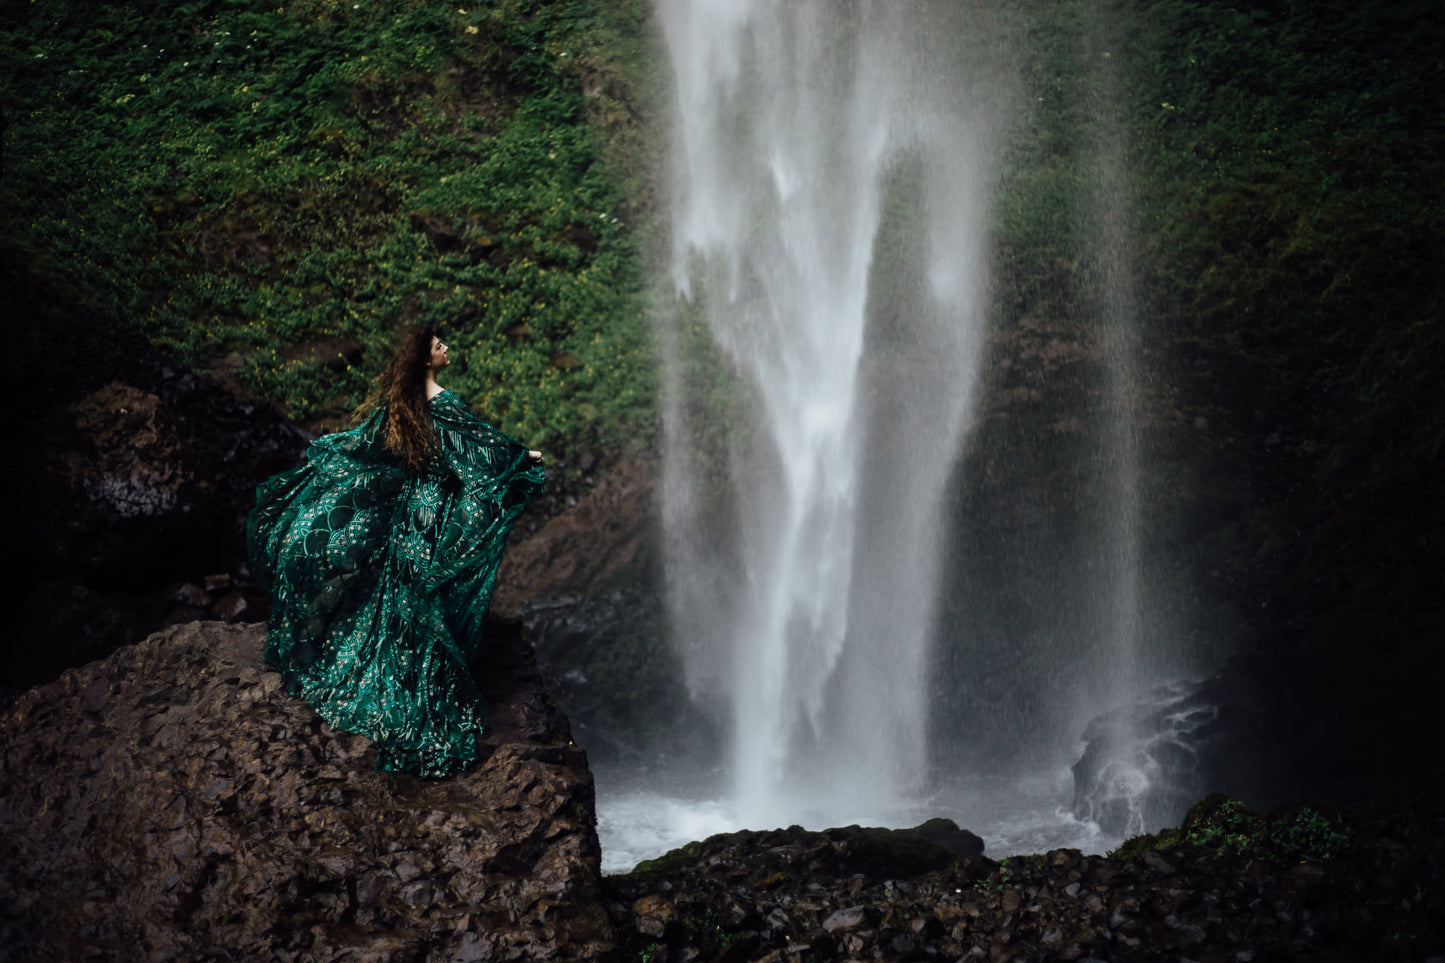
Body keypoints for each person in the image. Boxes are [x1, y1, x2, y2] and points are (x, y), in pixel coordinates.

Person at [247, 325, 545, 777]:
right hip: (435, 516)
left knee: (401, 598)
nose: (447, 348)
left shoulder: (400, 404)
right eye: (439, 345)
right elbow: (481, 455)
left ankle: (389, 673)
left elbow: (368, 445)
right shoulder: (445, 403)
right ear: (426, 359)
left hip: (409, 514)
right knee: (423, 600)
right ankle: (421, 692)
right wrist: (526, 460)